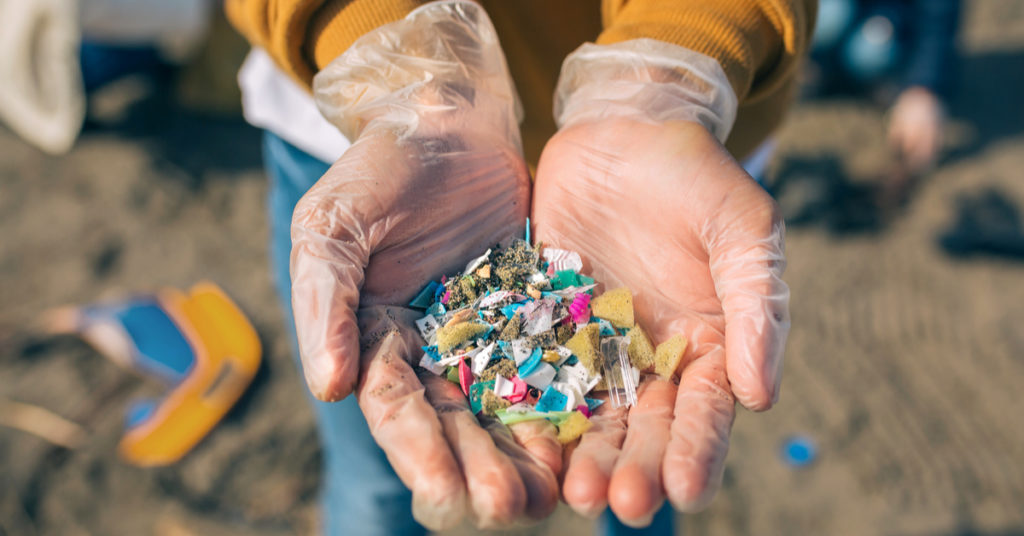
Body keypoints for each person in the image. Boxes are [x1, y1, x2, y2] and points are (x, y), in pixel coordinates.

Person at [227, 1, 814, 534]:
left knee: (639, 478)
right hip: (378, 147)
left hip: (672, 161)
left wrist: (665, 79)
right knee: (378, 475)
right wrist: (407, 84)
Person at [808, 0, 960, 174]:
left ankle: (857, 79)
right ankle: (814, 65)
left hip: (885, 21)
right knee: (831, 15)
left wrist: (923, 88)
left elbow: (939, 12)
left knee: (871, 51)